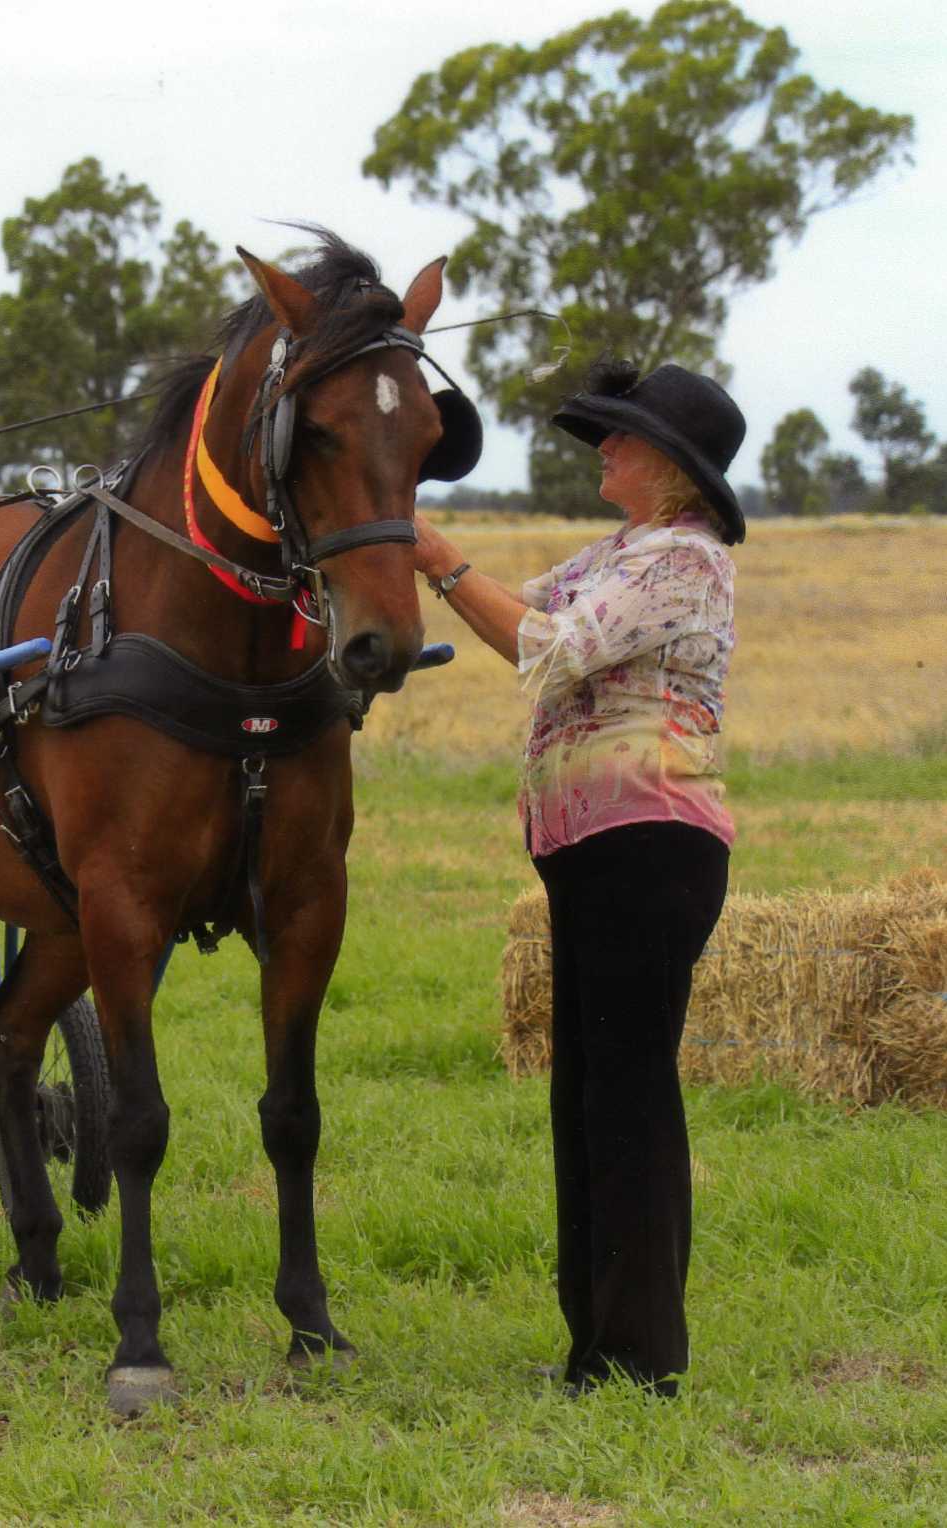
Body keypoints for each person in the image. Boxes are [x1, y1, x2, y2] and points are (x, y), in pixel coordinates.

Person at [412, 360, 745, 1397]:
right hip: (593, 850)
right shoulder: (618, 553)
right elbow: (517, 602)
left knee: (631, 1094)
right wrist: (427, 555)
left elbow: (546, 645)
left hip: (651, 844)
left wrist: (433, 552)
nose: (602, 450)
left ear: (675, 471)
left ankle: (642, 1359)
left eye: (622, 438)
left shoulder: (684, 561)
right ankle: (595, 1347)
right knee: (590, 1093)